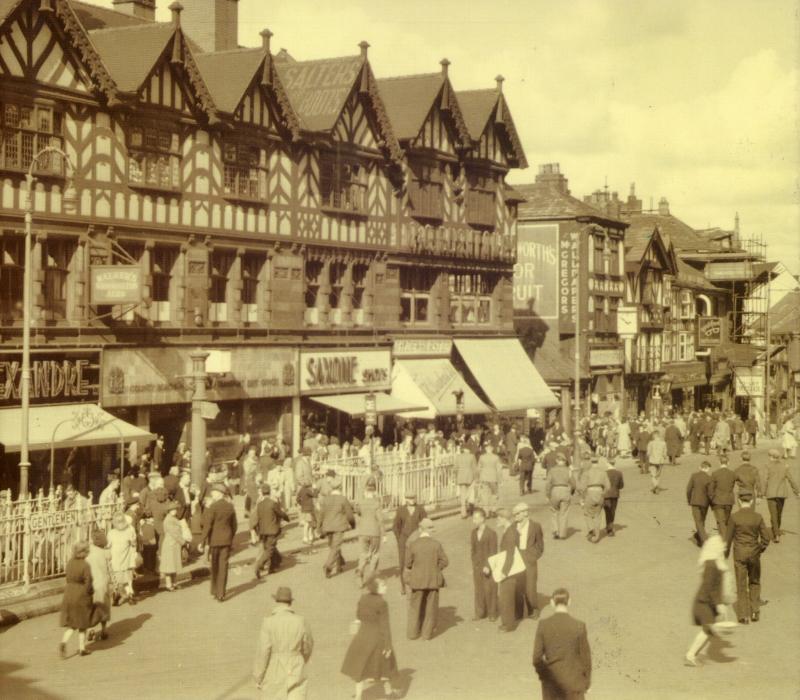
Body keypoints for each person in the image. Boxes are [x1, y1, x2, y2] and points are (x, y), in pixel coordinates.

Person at [341, 577, 399, 700]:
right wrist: (388, 645)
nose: (386, 587)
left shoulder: (363, 598)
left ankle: (358, 696)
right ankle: (389, 694)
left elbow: (358, 615)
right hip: (378, 638)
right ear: (376, 588)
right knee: (385, 667)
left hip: (362, 636)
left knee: (360, 668)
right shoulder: (382, 603)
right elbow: (385, 625)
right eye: (383, 585)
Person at [253, 587, 314, 699]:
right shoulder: (301, 621)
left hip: (275, 667)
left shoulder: (268, 622)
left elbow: (263, 651)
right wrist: (300, 658)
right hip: (296, 666)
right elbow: (308, 646)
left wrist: (258, 676)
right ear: (290, 602)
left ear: (276, 601)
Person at [532, 588, 592, 699]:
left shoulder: (543, 625)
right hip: (574, 681)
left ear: (552, 603)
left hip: (552, 682)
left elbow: (536, 658)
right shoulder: (579, 625)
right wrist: (586, 683)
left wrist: (544, 676)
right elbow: (585, 658)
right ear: (569, 602)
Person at [725, 490, 770, 624]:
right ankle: (755, 611)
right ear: (751, 502)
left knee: (741, 583)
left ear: (739, 501)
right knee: (755, 581)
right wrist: (760, 549)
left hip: (739, 553)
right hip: (754, 553)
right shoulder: (757, 516)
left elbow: (727, 539)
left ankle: (743, 615)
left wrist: (725, 555)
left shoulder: (734, 517)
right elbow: (766, 537)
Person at [684, 535, 729, 666]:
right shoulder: (712, 564)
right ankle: (690, 655)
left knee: (708, 630)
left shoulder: (713, 562)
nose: (724, 547)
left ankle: (692, 654)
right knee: (708, 629)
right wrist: (719, 604)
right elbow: (710, 587)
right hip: (704, 602)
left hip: (706, 601)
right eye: (721, 545)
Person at [405, 517, 448, 640]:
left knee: (414, 607)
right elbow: (445, 561)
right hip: (432, 580)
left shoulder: (414, 544)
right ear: (430, 531)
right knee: (431, 607)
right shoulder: (436, 544)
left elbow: (408, 563)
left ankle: (412, 633)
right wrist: (436, 568)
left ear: (420, 530)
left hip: (417, 580)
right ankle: (426, 634)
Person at [505, 502, 544, 620]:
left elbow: (540, 546)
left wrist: (533, 557)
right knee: (517, 586)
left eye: (517, 514)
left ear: (525, 513)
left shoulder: (535, 526)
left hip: (529, 558)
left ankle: (533, 610)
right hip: (517, 558)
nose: (515, 516)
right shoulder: (512, 527)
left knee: (530, 586)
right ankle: (518, 612)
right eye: (514, 514)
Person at [199, 484, 238, 602]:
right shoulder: (230, 506)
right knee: (223, 567)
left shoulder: (213, 507)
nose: (212, 494)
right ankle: (221, 593)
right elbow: (234, 525)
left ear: (220, 494)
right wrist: (230, 536)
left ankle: (215, 590)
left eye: (214, 493)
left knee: (215, 566)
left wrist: (202, 541)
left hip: (214, 541)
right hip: (226, 541)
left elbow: (208, 526)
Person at [59, 541, 94, 658]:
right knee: (82, 623)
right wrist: (90, 592)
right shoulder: (85, 565)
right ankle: (82, 648)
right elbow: (88, 582)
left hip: (69, 592)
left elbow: (67, 578)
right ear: (84, 552)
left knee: (72, 624)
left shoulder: (70, 563)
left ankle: (64, 642)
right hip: (81, 594)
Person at [391, 493, 427, 595]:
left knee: (417, 562)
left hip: (417, 540)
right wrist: (400, 539)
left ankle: (417, 585)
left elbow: (425, 524)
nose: (412, 500)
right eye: (409, 498)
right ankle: (403, 586)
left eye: (413, 498)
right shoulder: (401, 510)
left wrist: (422, 537)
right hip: (404, 540)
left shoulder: (420, 509)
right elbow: (395, 526)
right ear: (406, 499)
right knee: (403, 563)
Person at [253, 483, 290, 579]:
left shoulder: (260, 504)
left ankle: (273, 566)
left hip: (262, 531)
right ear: (269, 492)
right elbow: (280, 513)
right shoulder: (273, 503)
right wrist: (287, 518)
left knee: (270, 547)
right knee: (270, 550)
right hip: (272, 530)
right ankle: (259, 565)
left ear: (262, 493)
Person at [763, 448, 800, 543]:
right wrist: (797, 491)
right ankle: (776, 530)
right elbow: (791, 479)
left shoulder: (767, 466)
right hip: (781, 493)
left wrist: (762, 493)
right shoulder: (784, 466)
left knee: (773, 514)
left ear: (771, 457)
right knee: (779, 513)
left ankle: (776, 533)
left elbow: (765, 480)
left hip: (771, 493)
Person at [319, 481, 355, 578]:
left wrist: (319, 527)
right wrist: (353, 524)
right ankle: (328, 566)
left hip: (327, 527)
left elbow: (321, 514)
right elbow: (350, 515)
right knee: (335, 547)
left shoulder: (325, 499)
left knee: (334, 546)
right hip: (339, 526)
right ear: (340, 488)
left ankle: (340, 564)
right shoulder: (343, 499)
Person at [354, 477, 384, 586]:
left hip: (363, 532)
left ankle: (360, 571)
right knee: (375, 554)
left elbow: (357, 512)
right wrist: (384, 534)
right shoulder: (377, 503)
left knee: (363, 554)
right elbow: (380, 520)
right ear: (374, 491)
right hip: (375, 532)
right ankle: (372, 576)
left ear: (365, 492)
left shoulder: (360, 503)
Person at [470, 507, 498, 621]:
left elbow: (493, 551)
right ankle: (479, 612)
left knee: (489, 589)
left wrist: (488, 566)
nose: (474, 520)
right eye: (473, 518)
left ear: (482, 518)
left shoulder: (491, 533)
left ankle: (492, 613)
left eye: (476, 518)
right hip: (477, 566)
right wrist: (474, 563)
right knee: (478, 589)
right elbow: (473, 550)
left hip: (488, 566)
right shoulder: (473, 533)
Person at [86, 530, 112, 642]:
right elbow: (110, 565)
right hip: (102, 582)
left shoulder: (88, 551)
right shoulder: (105, 553)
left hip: (90, 583)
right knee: (104, 606)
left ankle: (90, 628)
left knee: (90, 607)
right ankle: (104, 629)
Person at [577, 458, 611, 543]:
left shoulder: (586, 472)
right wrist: (603, 493)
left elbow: (581, 488)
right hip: (599, 493)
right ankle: (596, 535)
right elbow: (608, 486)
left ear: (590, 462)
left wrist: (582, 497)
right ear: (598, 462)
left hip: (590, 493)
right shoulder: (603, 472)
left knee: (587, 513)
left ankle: (591, 529)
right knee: (598, 515)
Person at [107, 511, 138, 605]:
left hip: (115, 559)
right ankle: (130, 594)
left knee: (116, 579)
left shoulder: (111, 533)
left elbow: (108, 545)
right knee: (127, 579)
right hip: (126, 559)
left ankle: (116, 594)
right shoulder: (128, 531)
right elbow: (133, 544)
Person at [545, 454, 574, 540]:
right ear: (564, 461)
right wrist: (572, 491)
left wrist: (547, 494)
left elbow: (548, 484)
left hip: (555, 490)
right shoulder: (568, 470)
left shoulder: (552, 470)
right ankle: (562, 534)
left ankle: (555, 531)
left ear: (557, 461)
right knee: (564, 513)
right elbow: (573, 482)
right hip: (565, 490)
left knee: (554, 511)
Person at [686, 461, 713, 546]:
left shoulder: (694, 476)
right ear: (708, 469)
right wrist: (711, 503)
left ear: (700, 467)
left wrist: (689, 499)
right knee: (702, 520)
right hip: (705, 503)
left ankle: (704, 541)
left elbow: (688, 489)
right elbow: (710, 493)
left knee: (698, 521)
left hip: (695, 501)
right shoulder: (709, 478)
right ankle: (699, 537)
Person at [159, 501, 184, 591]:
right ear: (169, 511)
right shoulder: (168, 520)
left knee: (174, 564)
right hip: (170, 544)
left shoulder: (173, 518)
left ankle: (174, 583)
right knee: (169, 565)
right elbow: (174, 533)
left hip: (174, 544)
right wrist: (183, 541)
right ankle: (169, 584)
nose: (175, 511)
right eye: (172, 510)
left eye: (175, 509)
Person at [709, 455, 736, 539]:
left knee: (721, 521)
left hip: (718, 500)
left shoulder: (715, 473)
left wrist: (711, 499)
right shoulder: (732, 474)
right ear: (728, 463)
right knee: (725, 520)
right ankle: (723, 536)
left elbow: (711, 489)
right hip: (729, 500)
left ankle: (724, 539)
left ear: (719, 462)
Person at [477, 443, 502, 517]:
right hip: (493, 478)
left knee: (485, 495)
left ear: (486, 449)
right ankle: (493, 510)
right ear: (492, 449)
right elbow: (499, 469)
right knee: (494, 494)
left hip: (484, 478)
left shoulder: (482, 457)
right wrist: (500, 480)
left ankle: (486, 511)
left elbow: (478, 468)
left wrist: (478, 478)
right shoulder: (496, 457)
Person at [603, 458, 624, 537]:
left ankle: (609, 528)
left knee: (607, 511)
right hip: (615, 494)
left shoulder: (604, 473)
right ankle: (610, 527)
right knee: (612, 511)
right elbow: (621, 485)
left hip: (606, 494)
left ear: (608, 463)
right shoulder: (619, 473)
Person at [455, 443, 477, 518]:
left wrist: (456, 477)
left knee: (463, 495)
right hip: (470, 477)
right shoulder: (472, 456)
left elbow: (455, 468)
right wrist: (476, 478)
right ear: (468, 449)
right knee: (471, 493)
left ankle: (463, 513)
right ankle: (471, 510)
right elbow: (474, 468)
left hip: (461, 477)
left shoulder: (458, 457)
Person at [646, 429, 668, 494]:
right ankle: (657, 485)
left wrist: (648, 457)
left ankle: (655, 486)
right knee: (658, 474)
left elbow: (648, 453)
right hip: (660, 461)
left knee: (653, 474)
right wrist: (663, 457)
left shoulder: (650, 443)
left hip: (652, 460)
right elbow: (665, 453)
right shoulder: (663, 443)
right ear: (659, 436)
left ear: (654, 436)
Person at [296, 479, 317, 546]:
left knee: (309, 523)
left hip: (304, 509)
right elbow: (315, 495)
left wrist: (302, 504)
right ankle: (305, 538)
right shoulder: (307, 490)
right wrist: (315, 488)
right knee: (307, 524)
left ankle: (311, 537)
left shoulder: (301, 490)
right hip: (308, 509)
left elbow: (297, 499)